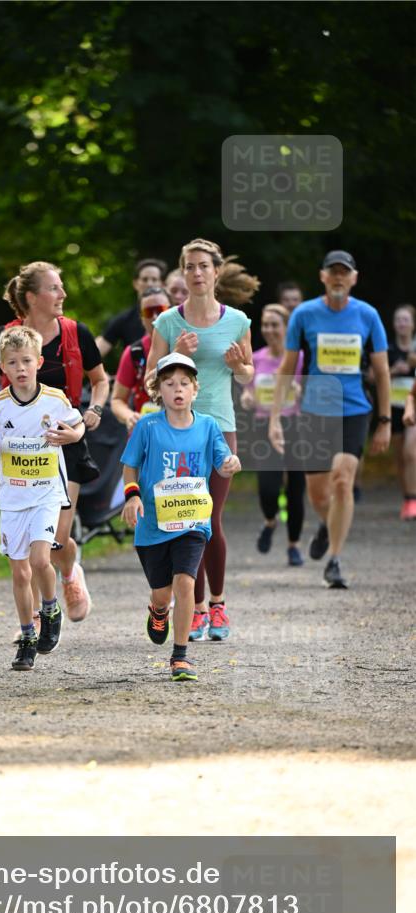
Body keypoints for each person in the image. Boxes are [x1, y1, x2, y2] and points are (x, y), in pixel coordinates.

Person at [0, 261, 109, 622]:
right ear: (31, 297)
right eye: (54, 288)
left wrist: (95, 409)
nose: (63, 294)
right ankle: (40, 614)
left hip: (65, 439)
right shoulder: (8, 338)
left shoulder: (76, 332)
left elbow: (100, 380)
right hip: (20, 445)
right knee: (26, 542)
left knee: (57, 536)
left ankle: (70, 574)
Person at [146, 238, 255, 642]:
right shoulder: (168, 323)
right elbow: (148, 382)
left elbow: (247, 375)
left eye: (203, 266)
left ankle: (218, 605)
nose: (196, 273)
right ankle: (194, 609)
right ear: (183, 271)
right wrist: (173, 353)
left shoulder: (238, 321)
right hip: (177, 430)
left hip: (220, 428)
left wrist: (238, 365)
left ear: (215, 271)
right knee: (184, 516)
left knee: (210, 517)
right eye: (189, 266)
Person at [269, 250, 391, 588]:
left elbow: (381, 372)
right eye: (332, 272)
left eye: (344, 272)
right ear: (323, 276)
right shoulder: (305, 315)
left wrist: (384, 421)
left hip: (353, 409)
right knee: (319, 496)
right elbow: (286, 368)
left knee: (342, 479)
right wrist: (275, 417)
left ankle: (334, 560)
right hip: (314, 410)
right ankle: (328, 523)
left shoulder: (367, 315)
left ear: (354, 278)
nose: (338, 277)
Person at [121, 353, 241, 680]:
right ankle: (158, 610)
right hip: (153, 524)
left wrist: (231, 463)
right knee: (162, 594)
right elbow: (129, 464)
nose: (178, 389)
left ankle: (181, 656)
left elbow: (223, 459)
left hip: (192, 520)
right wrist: (132, 495)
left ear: (195, 389)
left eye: (184, 384)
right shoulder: (148, 426)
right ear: (158, 390)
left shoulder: (207, 426)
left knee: (185, 583)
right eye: (169, 383)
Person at [0, 326, 85, 670]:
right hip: (12, 497)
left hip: (47, 493)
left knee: (40, 561)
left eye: (26, 361)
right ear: (3, 370)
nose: (20, 368)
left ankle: (50, 610)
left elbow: (77, 427)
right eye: (12, 363)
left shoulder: (55, 400)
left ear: (38, 362)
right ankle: (26, 637)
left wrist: (71, 436)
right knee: (20, 573)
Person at [240, 304, 306, 566]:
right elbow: (248, 391)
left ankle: (294, 545)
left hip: (296, 425)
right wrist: (247, 398)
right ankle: (270, 520)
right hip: (263, 426)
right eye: (265, 324)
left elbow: (311, 387)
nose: (268, 329)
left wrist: (301, 391)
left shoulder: (300, 357)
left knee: (296, 489)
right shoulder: (256, 358)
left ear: (286, 328)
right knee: (268, 488)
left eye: (274, 324)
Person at [111, 286, 171, 432]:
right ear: (141, 317)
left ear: (172, 310)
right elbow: (117, 400)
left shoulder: (189, 344)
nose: (155, 317)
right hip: (147, 436)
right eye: (149, 312)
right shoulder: (134, 352)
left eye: (161, 309)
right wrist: (129, 416)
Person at [96, 258, 167, 358]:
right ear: (135, 283)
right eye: (145, 279)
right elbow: (94, 354)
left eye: (154, 279)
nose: (149, 284)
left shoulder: (175, 315)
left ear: (163, 284)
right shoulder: (124, 319)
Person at [385, 304, 416, 519]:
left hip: (413, 406)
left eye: (406, 320)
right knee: (400, 457)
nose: (402, 324)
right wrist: (394, 371)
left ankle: (412, 499)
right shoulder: (387, 350)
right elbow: (372, 376)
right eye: (398, 320)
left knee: (410, 453)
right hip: (394, 407)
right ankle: (407, 497)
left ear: (413, 324)